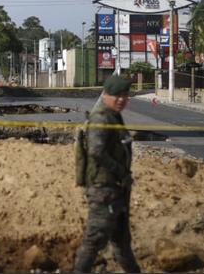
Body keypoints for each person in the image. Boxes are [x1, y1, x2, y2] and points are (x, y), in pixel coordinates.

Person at [74, 74, 141, 273]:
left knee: (121, 243)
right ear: (106, 95)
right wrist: (121, 172)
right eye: (117, 95)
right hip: (103, 189)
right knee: (94, 240)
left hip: (116, 189)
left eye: (125, 95)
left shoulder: (113, 115)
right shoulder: (101, 118)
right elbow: (96, 151)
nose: (122, 99)